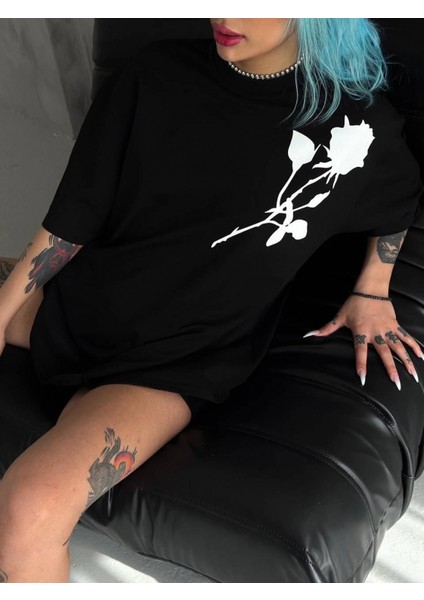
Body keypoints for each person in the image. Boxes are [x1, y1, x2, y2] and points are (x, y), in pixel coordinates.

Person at [0, 18, 423, 583]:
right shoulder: (152, 76)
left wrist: (372, 288)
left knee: (28, 511)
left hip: (173, 365)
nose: (225, 15)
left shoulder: (355, 127)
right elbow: (72, 222)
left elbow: (398, 200)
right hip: (75, 308)